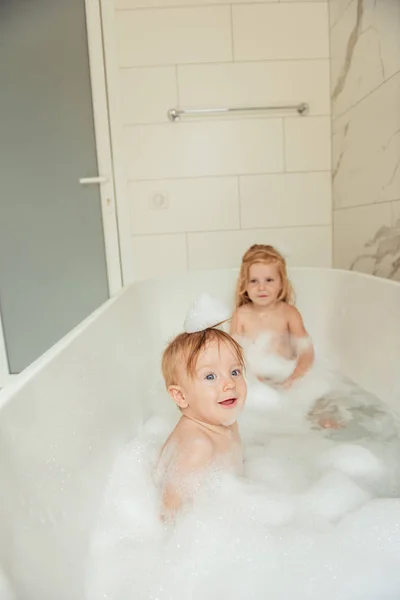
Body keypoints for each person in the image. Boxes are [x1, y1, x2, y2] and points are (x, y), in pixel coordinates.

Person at [157, 326, 247, 520]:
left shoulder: (226, 421)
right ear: (180, 396)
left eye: (235, 371)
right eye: (210, 376)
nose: (230, 383)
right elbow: (167, 513)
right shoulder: (198, 447)